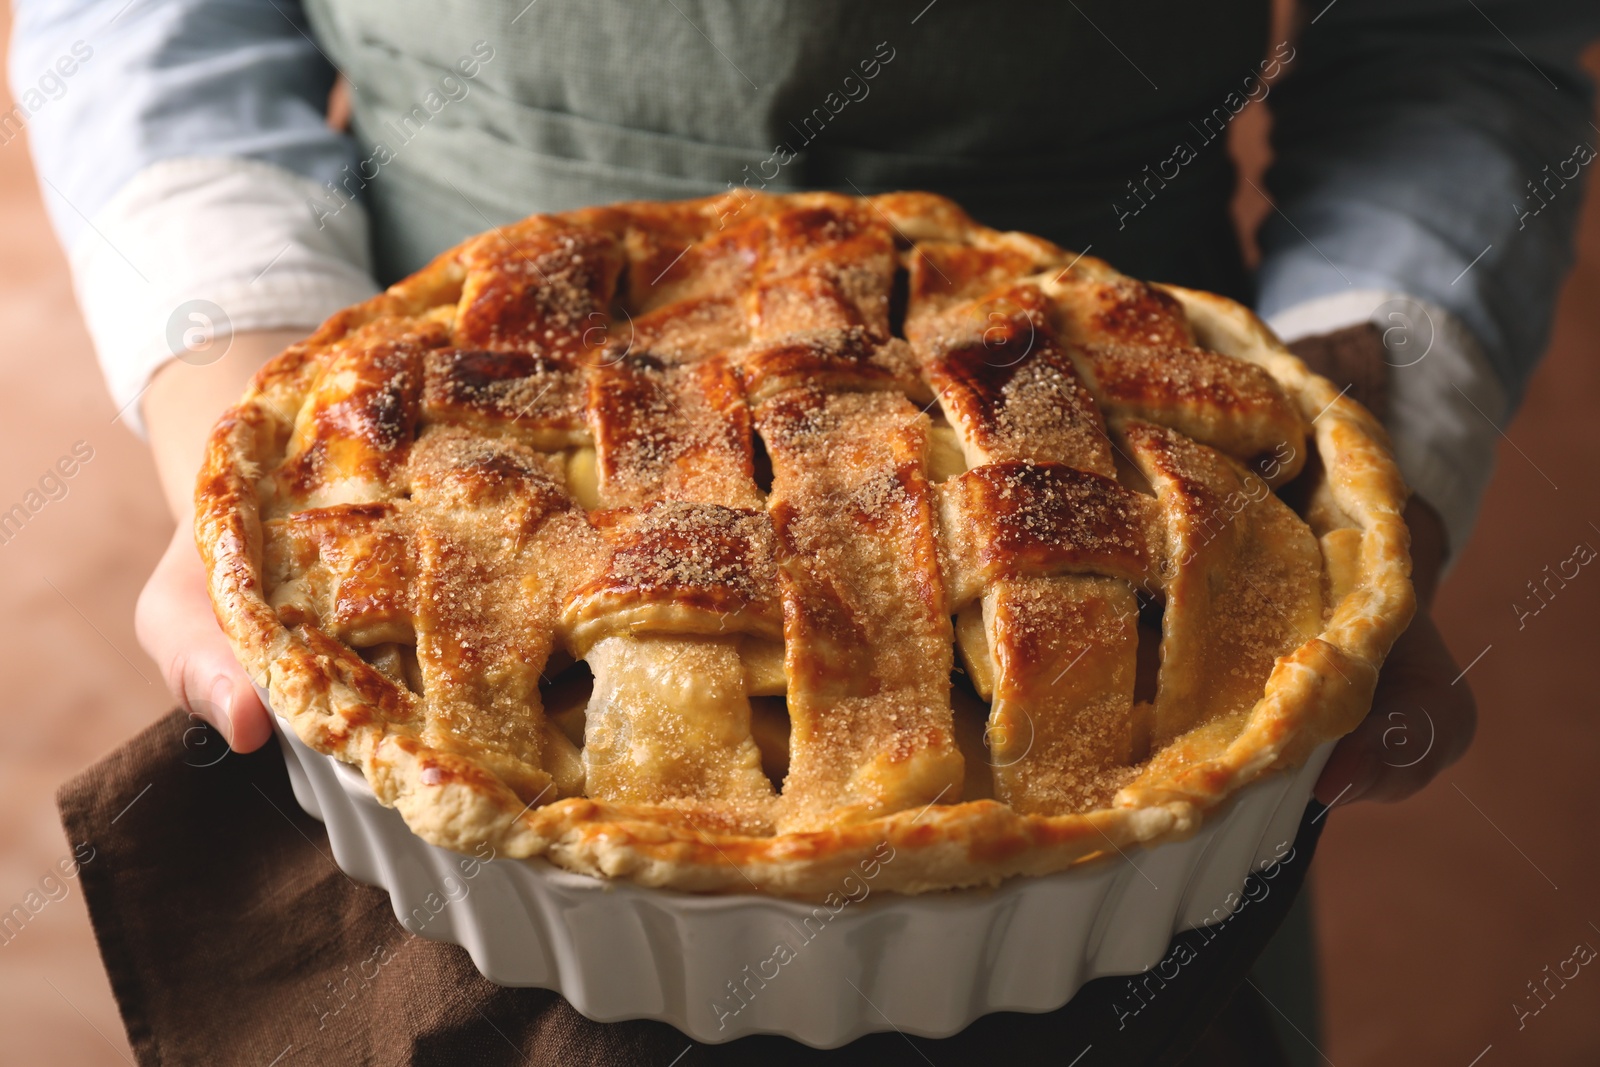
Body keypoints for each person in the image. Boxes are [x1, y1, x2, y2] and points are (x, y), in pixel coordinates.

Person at [11, 0, 1598, 1058]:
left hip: (1104, 436)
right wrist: (251, 407)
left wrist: (1372, 438)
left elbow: (1466, 25)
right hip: (460, 410)